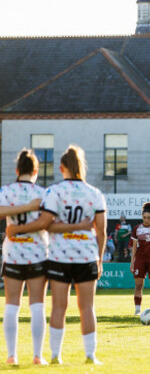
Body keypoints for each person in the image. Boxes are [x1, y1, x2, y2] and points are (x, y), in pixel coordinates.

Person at [16, 145, 107, 364]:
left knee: (59, 306)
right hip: (86, 255)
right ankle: (90, 356)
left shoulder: (54, 192)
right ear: (81, 167)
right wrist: (100, 259)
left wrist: (62, 226)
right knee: (87, 307)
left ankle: (56, 356)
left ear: (61, 167)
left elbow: (46, 225)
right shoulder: (94, 193)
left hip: (58, 256)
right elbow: (101, 231)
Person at [0, 150, 76, 366]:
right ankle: (37, 356)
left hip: (13, 253)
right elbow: (50, 222)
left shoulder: (6, 191)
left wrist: (19, 212)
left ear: (16, 170)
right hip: (38, 254)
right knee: (37, 306)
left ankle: (11, 355)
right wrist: (31, 207)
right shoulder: (45, 193)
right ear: (36, 171)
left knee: (11, 306)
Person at [130, 202, 150, 315]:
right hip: (140, 260)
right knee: (138, 285)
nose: (146, 219)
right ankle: (137, 310)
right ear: (142, 217)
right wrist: (132, 262)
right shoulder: (137, 228)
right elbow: (134, 247)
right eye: (144, 217)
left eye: (149, 217)